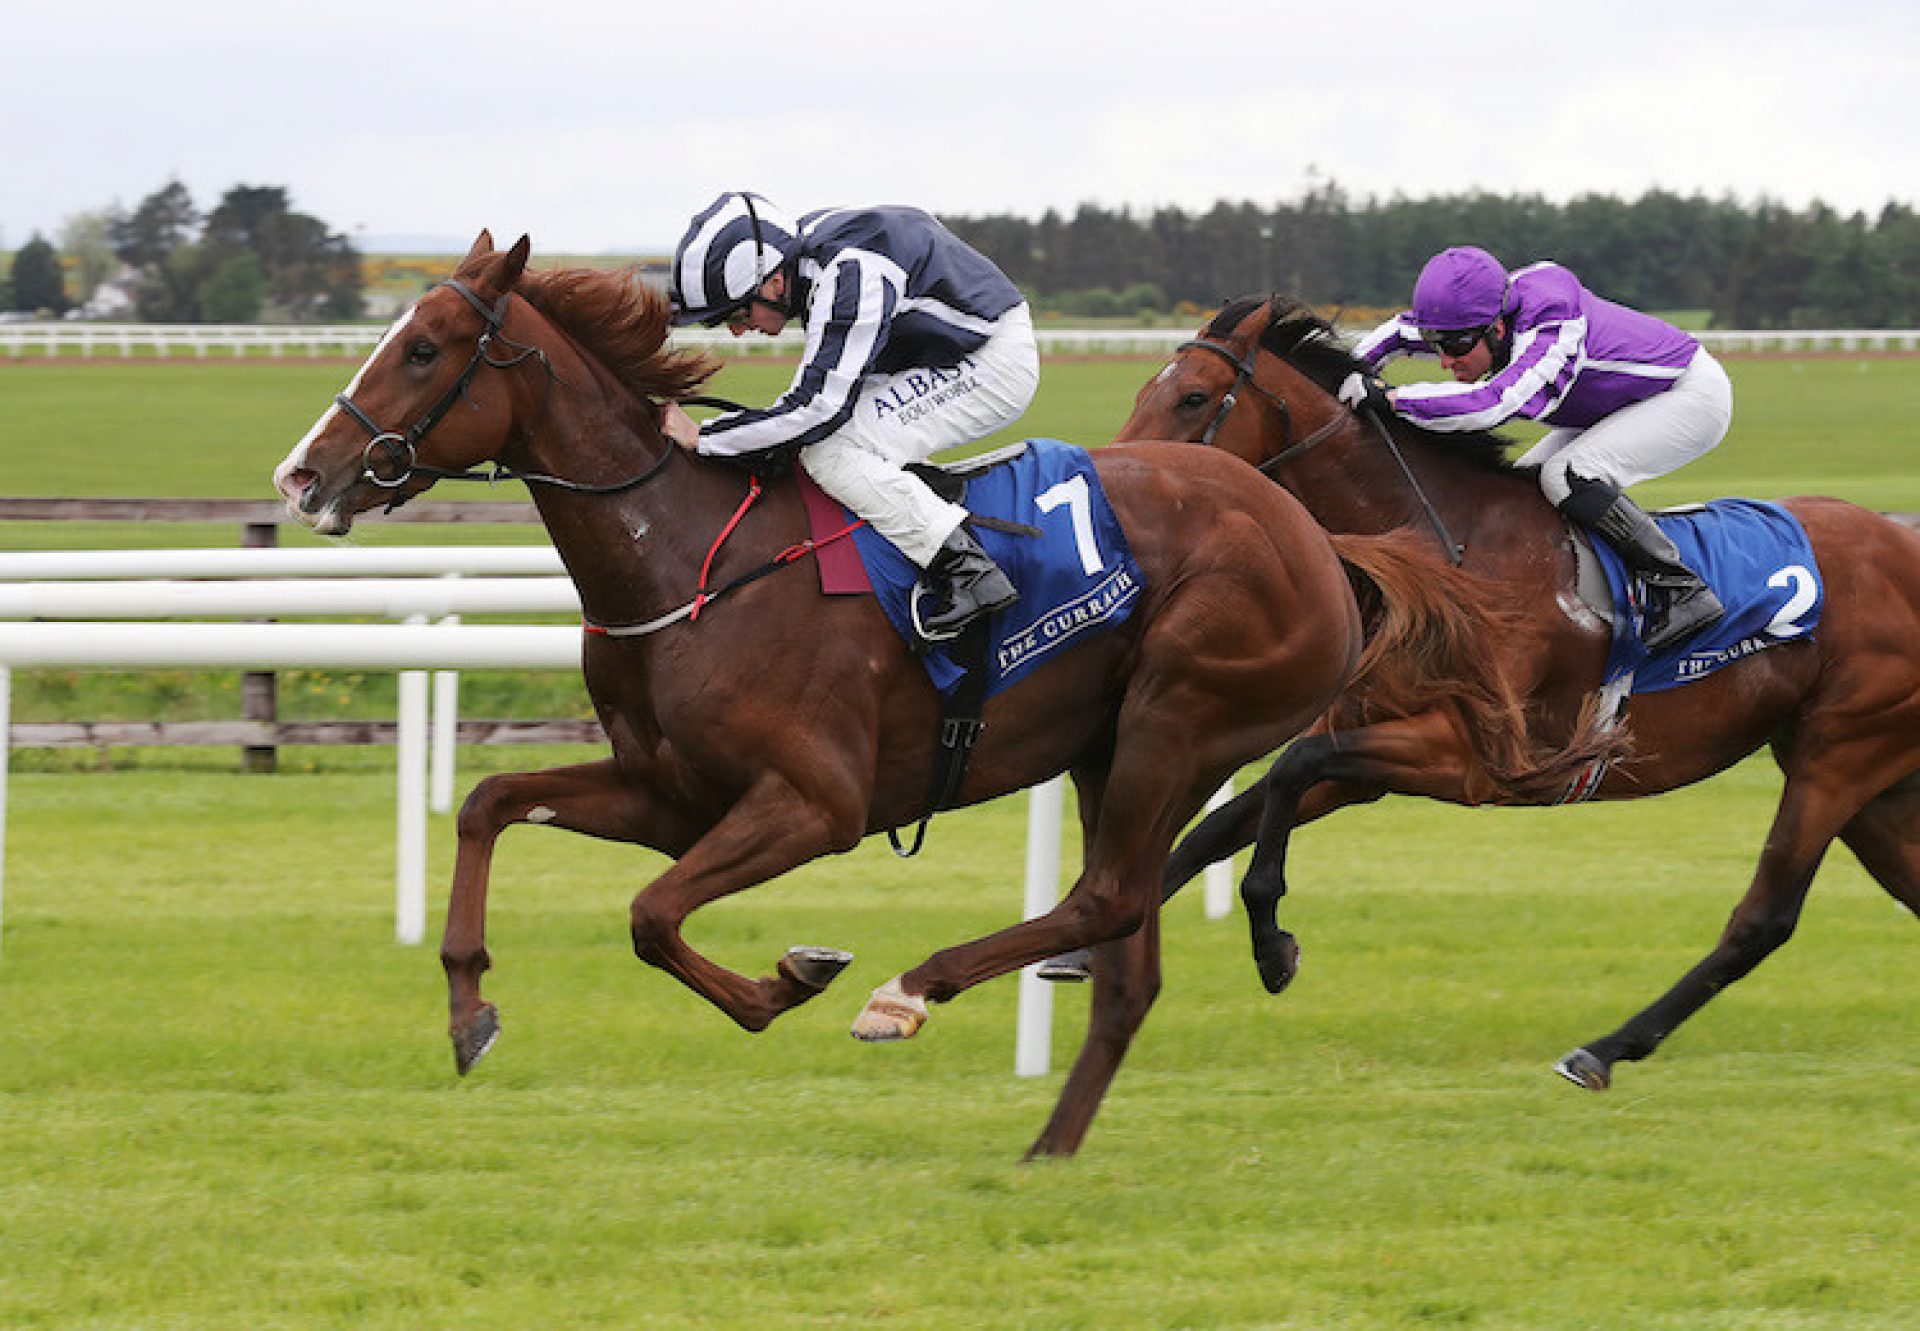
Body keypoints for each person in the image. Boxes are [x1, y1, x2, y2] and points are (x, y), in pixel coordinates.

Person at [661, 191, 1040, 639]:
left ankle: (968, 570)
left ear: (773, 283)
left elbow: (816, 408)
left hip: (989, 361)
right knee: (814, 442)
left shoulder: (850, 274)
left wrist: (704, 438)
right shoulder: (808, 262)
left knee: (831, 452)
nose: (739, 331)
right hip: (938, 349)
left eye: (737, 313)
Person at [1341, 245, 1733, 653]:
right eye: (1434, 345)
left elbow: (1495, 403)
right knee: (1519, 489)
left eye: (1454, 347)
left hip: (1691, 396)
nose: (1444, 361)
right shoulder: (1483, 315)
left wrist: (1392, 399)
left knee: (1565, 476)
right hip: (1621, 402)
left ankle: (1680, 587)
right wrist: (1338, 373)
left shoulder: (1553, 325)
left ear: (1496, 328)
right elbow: (1396, 334)